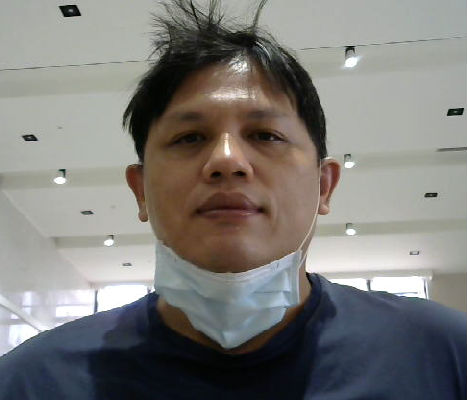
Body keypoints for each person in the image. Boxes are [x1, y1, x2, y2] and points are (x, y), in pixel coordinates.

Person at [0, 0, 465, 398]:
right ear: (140, 190)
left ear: (324, 185)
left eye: (265, 135)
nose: (226, 160)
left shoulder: (441, 355)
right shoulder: (33, 381)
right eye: (189, 138)